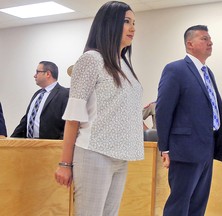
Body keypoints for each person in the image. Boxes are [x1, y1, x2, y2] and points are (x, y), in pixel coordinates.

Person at [54, 1, 144, 216]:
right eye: (126, 21)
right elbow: (73, 117)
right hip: (94, 153)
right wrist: (65, 163)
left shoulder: (124, 65)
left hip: (121, 156)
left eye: (134, 23)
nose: (132, 28)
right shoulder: (91, 59)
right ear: (109, 24)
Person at [156, 25, 222, 216]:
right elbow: (163, 110)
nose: (210, 42)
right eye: (204, 38)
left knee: (198, 204)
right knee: (179, 203)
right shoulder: (175, 69)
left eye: (210, 38)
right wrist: (165, 147)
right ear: (190, 43)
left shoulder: (208, 73)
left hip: (206, 148)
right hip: (185, 149)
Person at [11, 61, 69, 139]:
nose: (34, 76)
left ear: (48, 74)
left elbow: (68, 124)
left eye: (37, 72)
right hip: (29, 144)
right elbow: (27, 119)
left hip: (50, 147)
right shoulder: (37, 94)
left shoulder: (64, 94)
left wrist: (59, 145)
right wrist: (11, 140)